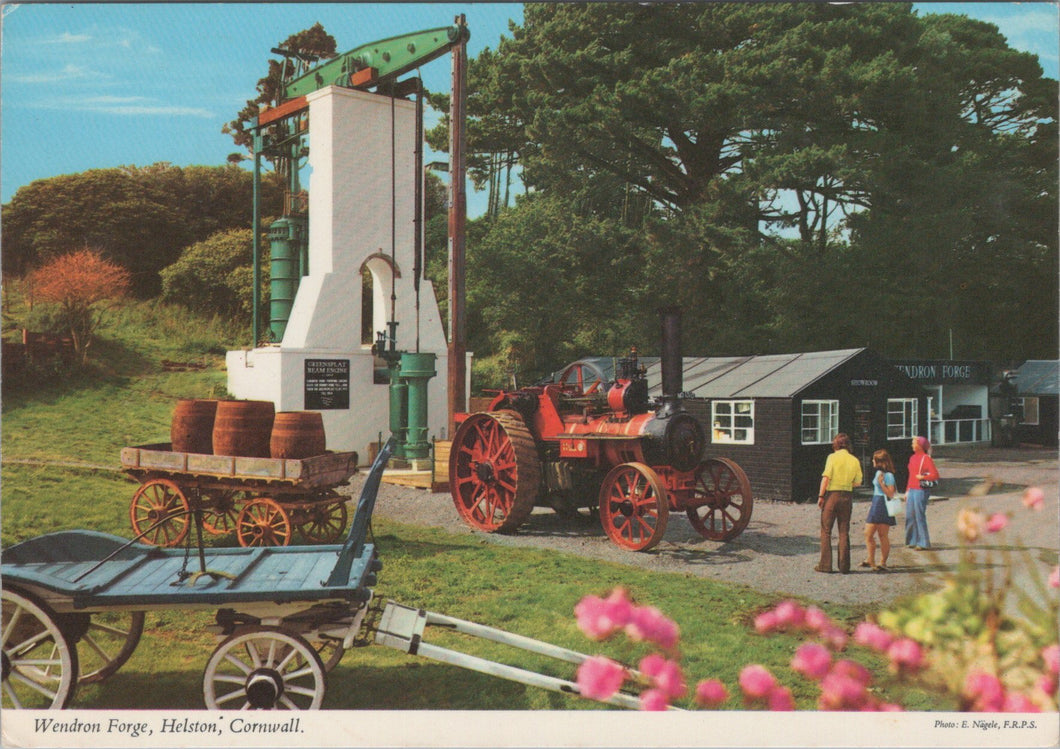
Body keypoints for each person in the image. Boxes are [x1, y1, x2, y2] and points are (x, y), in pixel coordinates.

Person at [816, 433, 863, 574]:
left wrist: (820, 495)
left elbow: (826, 478)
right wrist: (847, 484)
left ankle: (825, 565)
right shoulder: (854, 460)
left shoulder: (832, 457)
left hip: (832, 495)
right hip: (847, 496)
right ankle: (844, 566)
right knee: (844, 531)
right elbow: (859, 482)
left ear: (835, 444)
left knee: (826, 530)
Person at [862, 449, 898, 571]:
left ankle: (882, 562)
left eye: (874, 459)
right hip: (877, 502)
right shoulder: (879, 473)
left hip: (882, 503)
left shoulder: (888, 475)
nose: (872, 461)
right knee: (868, 533)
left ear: (879, 461)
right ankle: (870, 559)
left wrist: (881, 484)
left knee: (882, 535)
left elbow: (891, 493)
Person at [905, 435, 939, 550]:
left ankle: (923, 542)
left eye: (914, 443)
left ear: (920, 445)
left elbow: (935, 475)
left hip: (921, 490)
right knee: (910, 515)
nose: (912, 445)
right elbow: (910, 476)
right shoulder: (912, 458)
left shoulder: (926, 458)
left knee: (919, 515)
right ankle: (912, 540)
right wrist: (907, 490)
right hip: (912, 489)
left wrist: (923, 477)